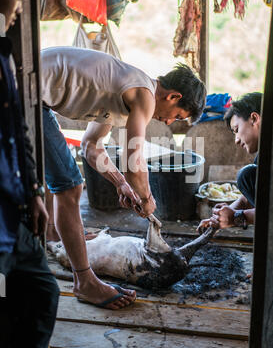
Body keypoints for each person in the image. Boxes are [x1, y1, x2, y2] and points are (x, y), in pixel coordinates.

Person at [41, 46, 206, 308]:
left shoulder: (125, 91)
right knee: (70, 187)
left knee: (61, 180)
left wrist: (121, 184)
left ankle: (55, 239)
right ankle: (85, 282)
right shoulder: (144, 93)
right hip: (23, 91)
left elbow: (91, 145)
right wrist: (146, 197)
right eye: (177, 116)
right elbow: (134, 159)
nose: (168, 122)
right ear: (174, 96)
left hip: (32, 96)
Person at [0, 0, 59, 348]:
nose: (21, 8)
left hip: (16, 208)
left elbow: (18, 129)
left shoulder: (2, 54)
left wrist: (35, 191)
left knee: (41, 292)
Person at [198, 92, 262, 233]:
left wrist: (236, 217)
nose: (236, 140)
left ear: (254, 118)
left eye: (237, 130)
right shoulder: (265, 153)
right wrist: (223, 216)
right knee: (248, 177)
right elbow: (246, 200)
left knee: (246, 174)